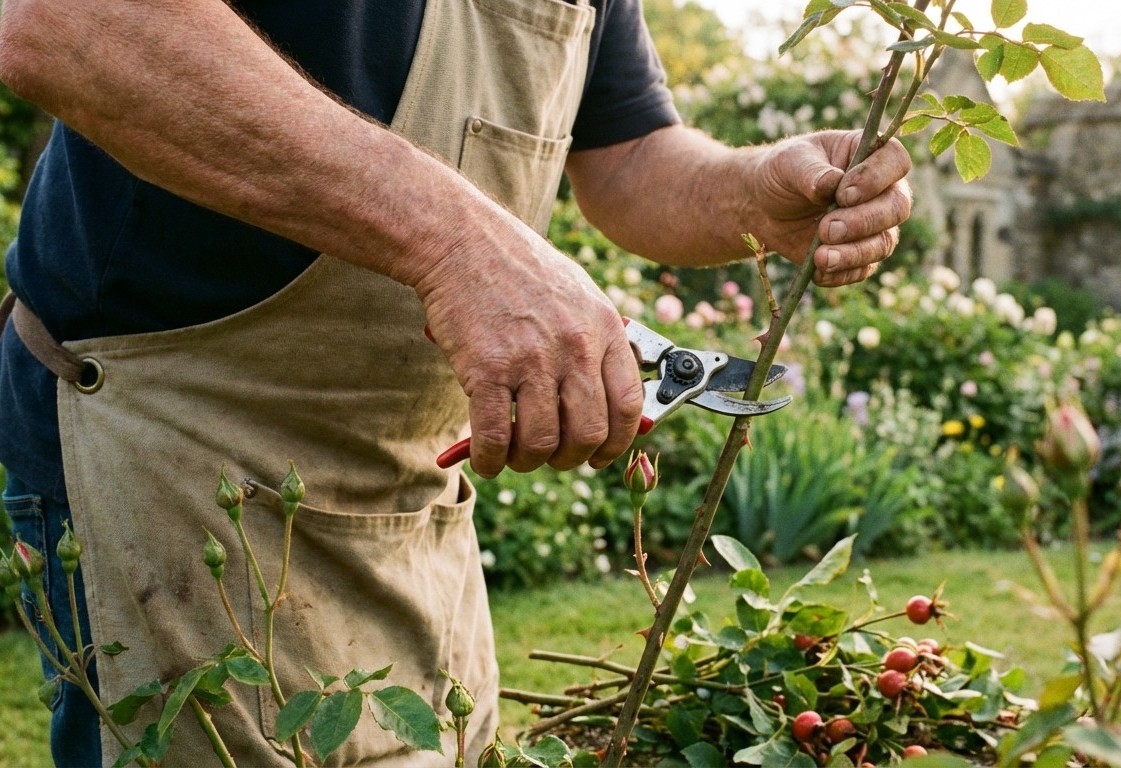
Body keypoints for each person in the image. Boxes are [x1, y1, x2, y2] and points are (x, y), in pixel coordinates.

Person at [0, 0, 912, 764]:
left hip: (408, 495)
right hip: (177, 455)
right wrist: (459, 242)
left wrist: (755, 191)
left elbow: (628, 155)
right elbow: (66, 19)